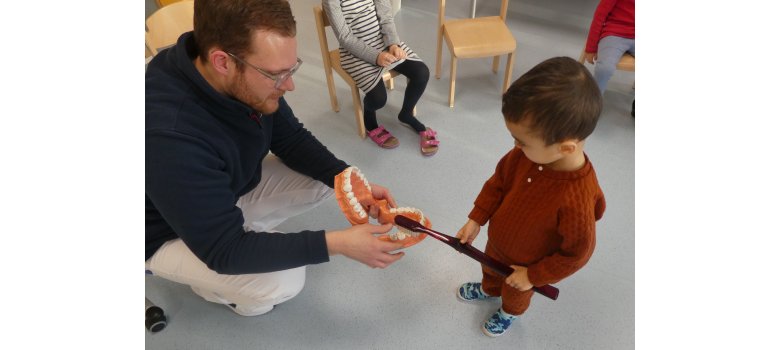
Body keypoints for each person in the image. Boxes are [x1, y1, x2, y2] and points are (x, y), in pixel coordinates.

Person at [145, 0, 407, 317]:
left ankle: (238, 234)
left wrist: (351, 181)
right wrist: (337, 244)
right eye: (277, 74)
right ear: (223, 62)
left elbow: (291, 138)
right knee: (283, 281)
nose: (290, 84)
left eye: (291, 68)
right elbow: (224, 250)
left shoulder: (228, 67)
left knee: (335, 183)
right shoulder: (170, 133)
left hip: (217, 192)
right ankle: (216, 287)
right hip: (162, 233)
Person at [454, 57, 607, 337]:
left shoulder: (576, 198)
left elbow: (576, 254)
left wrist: (533, 277)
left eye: (522, 141)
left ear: (565, 147)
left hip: (526, 265)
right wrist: (477, 217)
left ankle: (509, 313)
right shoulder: (522, 157)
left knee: (514, 292)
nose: (515, 145)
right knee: (490, 272)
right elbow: (498, 183)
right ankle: (489, 290)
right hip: (497, 244)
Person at [323, 0, 439, 156]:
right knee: (378, 99)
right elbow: (345, 37)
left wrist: (392, 44)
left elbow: (385, 16)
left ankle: (406, 114)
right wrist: (375, 57)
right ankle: (370, 122)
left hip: (382, 42)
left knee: (421, 73)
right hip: (355, 53)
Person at [582, 0, 634, 115]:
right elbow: (600, 15)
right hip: (615, 33)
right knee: (605, 68)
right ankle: (593, 105)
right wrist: (591, 47)